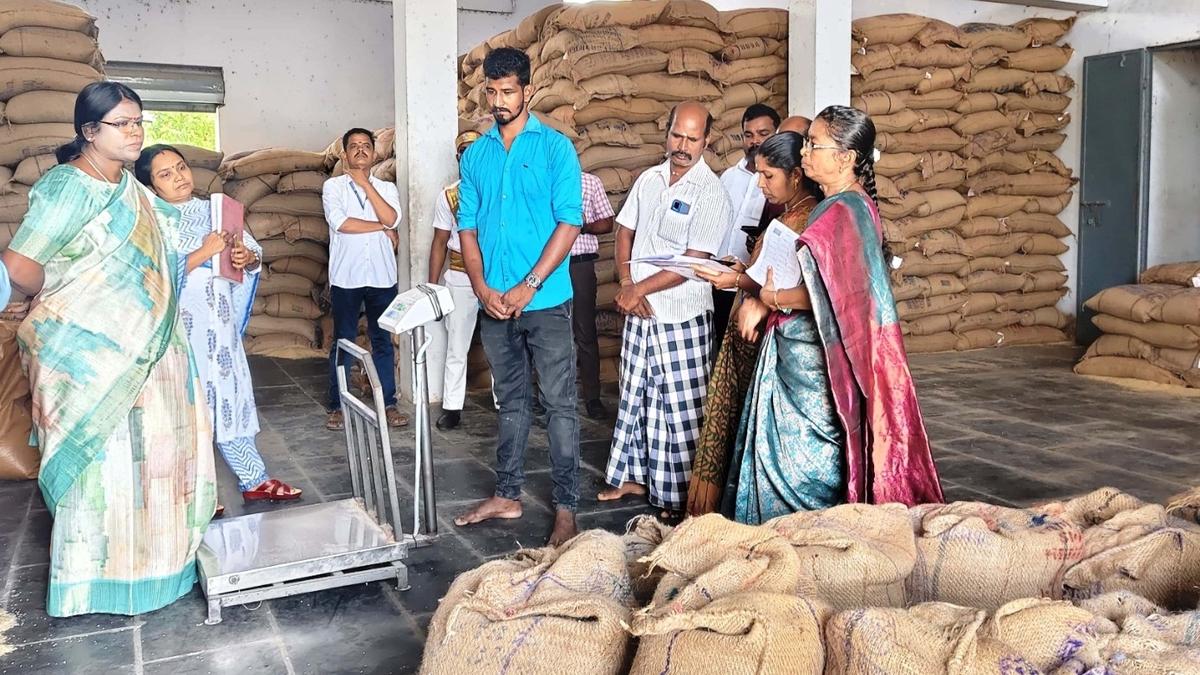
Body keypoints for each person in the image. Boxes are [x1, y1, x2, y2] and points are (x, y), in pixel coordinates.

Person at [0, 82, 215, 616]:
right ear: (89, 131)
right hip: (88, 357)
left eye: (139, 121)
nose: (136, 132)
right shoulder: (68, 187)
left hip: (153, 350)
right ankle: (93, 580)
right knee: (102, 468)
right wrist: (66, 299)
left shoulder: (137, 192)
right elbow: (22, 264)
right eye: (123, 123)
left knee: (156, 461)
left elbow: (159, 262)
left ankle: (160, 566)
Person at [721, 105, 944, 524]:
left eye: (814, 144)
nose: (804, 154)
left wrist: (773, 297)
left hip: (811, 361)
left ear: (845, 157)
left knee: (798, 455)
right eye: (806, 144)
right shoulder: (841, 206)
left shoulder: (843, 211)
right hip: (806, 352)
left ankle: (798, 537)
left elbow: (834, 296)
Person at [451, 47, 584, 546]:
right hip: (494, 301)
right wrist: (483, 288)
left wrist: (527, 286)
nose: (499, 101)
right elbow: (466, 227)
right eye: (492, 92)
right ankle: (507, 494)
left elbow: (569, 222)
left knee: (559, 404)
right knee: (510, 401)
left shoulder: (555, 149)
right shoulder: (478, 154)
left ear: (528, 89)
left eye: (508, 91)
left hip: (546, 300)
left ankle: (567, 507)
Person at [135, 144, 302, 503]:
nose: (179, 177)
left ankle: (254, 478)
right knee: (187, 410)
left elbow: (251, 253)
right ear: (150, 186)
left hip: (220, 328)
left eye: (180, 167)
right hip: (182, 333)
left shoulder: (214, 210)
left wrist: (247, 256)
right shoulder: (148, 221)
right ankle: (194, 493)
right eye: (165, 174)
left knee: (231, 400)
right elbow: (150, 277)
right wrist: (202, 253)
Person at [598, 101, 733, 518]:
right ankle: (635, 476)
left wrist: (638, 288)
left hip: (680, 315)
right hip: (639, 310)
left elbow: (695, 263)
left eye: (693, 139)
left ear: (706, 141)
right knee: (637, 395)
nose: (683, 145)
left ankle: (679, 496)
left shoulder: (712, 193)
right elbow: (624, 232)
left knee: (681, 407)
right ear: (668, 130)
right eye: (677, 135)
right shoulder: (649, 179)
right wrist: (626, 285)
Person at [686, 130, 819, 516]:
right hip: (749, 335)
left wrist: (741, 282)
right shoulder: (788, 214)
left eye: (768, 176)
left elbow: (794, 288)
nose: (760, 185)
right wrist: (741, 272)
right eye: (758, 175)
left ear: (796, 175)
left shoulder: (807, 217)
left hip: (773, 342)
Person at [322, 128, 409, 431]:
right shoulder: (333, 187)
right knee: (343, 340)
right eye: (354, 147)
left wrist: (365, 185)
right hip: (347, 277)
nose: (360, 150)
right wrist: (381, 228)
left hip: (382, 277)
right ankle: (337, 405)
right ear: (344, 154)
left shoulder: (386, 188)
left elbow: (393, 219)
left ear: (373, 154)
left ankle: (389, 404)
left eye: (366, 146)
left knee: (382, 341)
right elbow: (342, 223)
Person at [712, 104, 780, 351]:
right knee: (720, 349)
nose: (755, 141)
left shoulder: (779, 183)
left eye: (763, 134)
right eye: (749, 135)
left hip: (753, 285)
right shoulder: (729, 177)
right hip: (720, 280)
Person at [428, 130, 483, 431]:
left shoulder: (501, 189)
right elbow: (439, 242)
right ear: (458, 158)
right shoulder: (449, 195)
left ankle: (506, 405)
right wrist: (432, 285)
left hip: (497, 277)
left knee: (503, 345)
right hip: (461, 276)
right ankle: (452, 407)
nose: (469, 157)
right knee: (457, 345)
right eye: (464, 152)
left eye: (474, 151)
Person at [571, 171, 615, 419]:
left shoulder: (589, 182)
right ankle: (551, 396)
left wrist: (581, 225)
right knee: (549, 331)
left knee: (585, 331)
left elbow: (607, 222)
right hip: (546, 267)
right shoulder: (541, 179)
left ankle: (593, 398)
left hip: (580, 264)